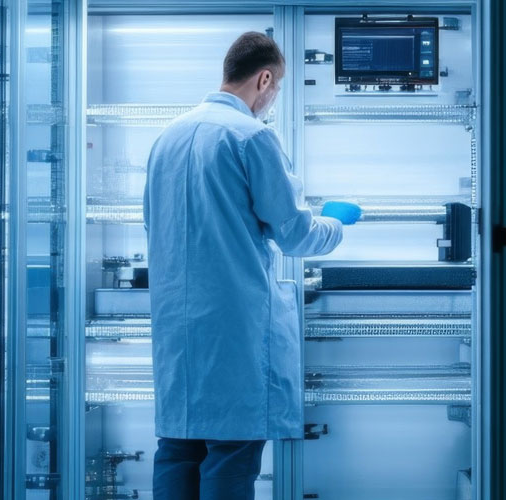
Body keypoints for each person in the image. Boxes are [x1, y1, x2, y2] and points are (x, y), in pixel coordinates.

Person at [143, 32, 362, 500]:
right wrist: (336, 223)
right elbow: (295, 234)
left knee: (178, 450)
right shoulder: (251, 137)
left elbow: (154, 226)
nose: (272, 99)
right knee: (232, 453)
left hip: (177, 331)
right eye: (276, 88)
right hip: (234, 332)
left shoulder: (168, 137)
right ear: (264, 78)